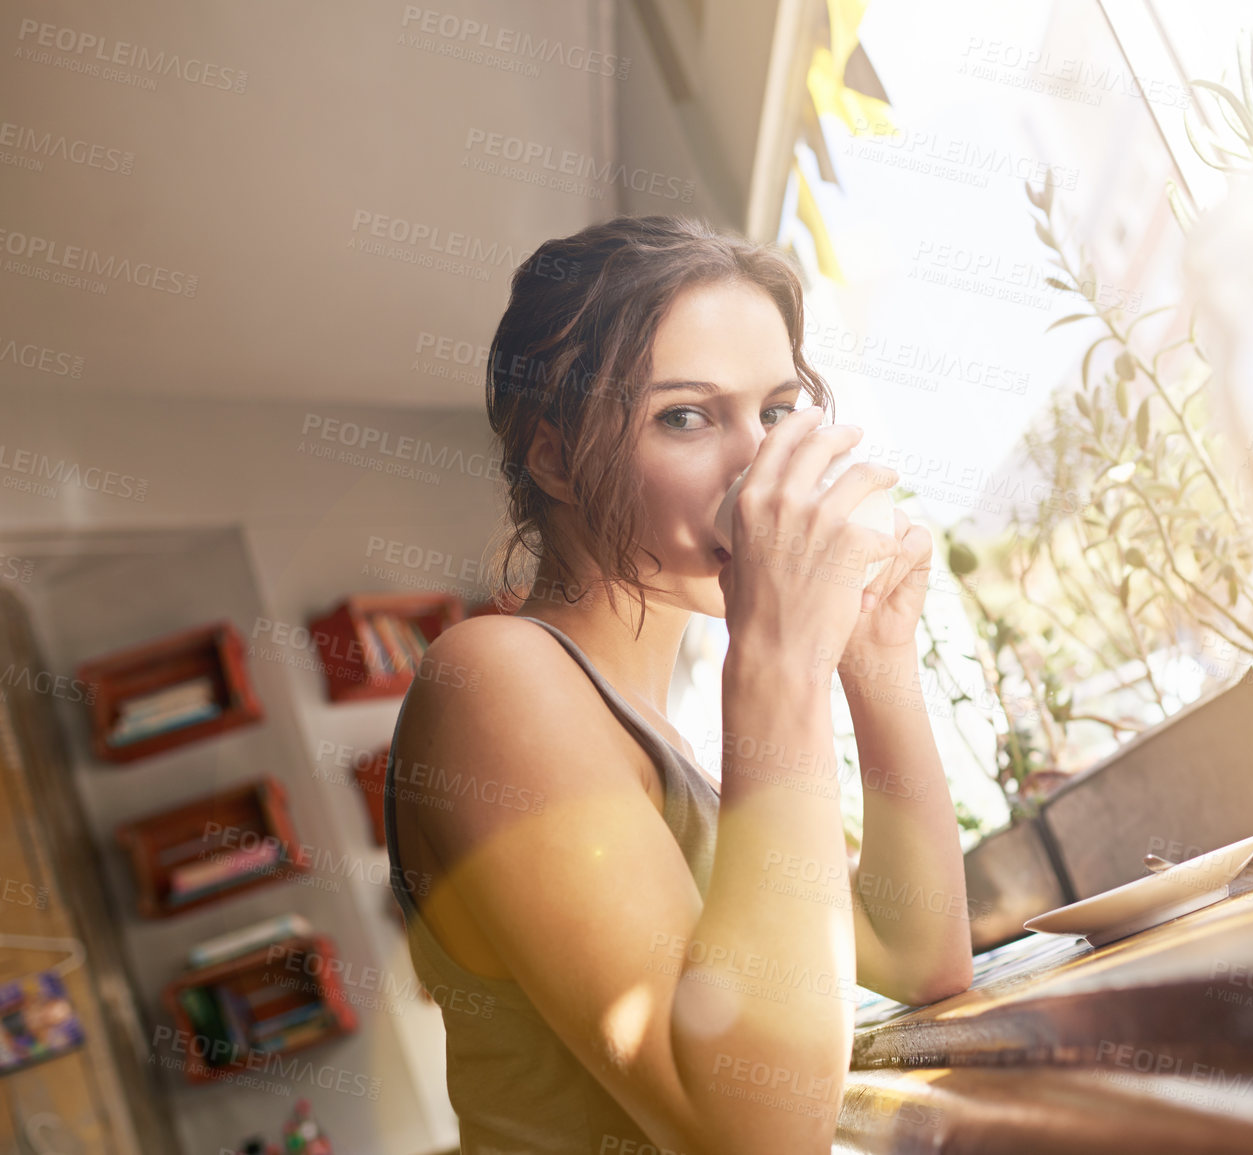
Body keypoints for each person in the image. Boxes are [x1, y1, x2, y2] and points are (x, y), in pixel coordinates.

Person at [384, 214, 973, 1154]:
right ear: (553, 459)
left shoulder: (660, 742)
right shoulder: (495, 678)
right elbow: (750, 1134)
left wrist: (875, 658)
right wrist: (777, 659)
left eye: (776, 410)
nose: (759, 466)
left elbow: (922, 953)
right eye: (686, 416)